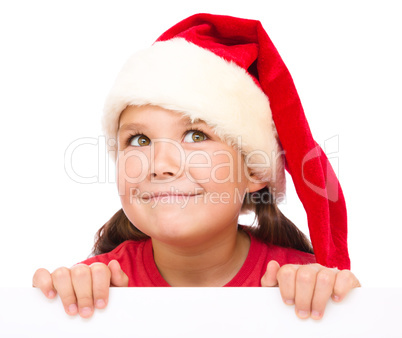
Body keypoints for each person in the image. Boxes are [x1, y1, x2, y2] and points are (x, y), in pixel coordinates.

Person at [32, 13, 360, 320]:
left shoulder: (306, 288)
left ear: (255, 171)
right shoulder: (95, 290)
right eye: (140, 140)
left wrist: (342, 308)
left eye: (196, 135)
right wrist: (54, 308)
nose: (161, 165)